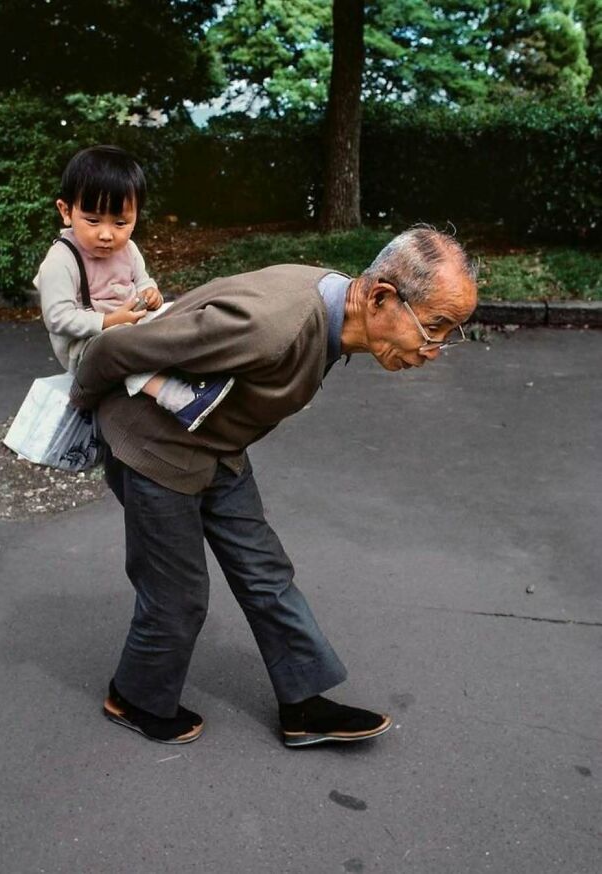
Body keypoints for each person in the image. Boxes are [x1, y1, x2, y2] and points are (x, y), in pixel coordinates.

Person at [70, 226, 478, 748]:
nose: (436, 348)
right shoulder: (272, 325)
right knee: (177, 596)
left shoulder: (333, 305)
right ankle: (135, 697)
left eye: (451, 332)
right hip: (154, 446)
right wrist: (80, 409)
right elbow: (114, 347)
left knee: (267, 574)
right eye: (436, 326)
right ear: (380, 297)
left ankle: (304, 706)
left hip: (215, 442)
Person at [34, 145, 233, 432]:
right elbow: (57, 318)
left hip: (130, 323)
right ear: (66, 211)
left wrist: (152, 294)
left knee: (175, 312)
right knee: (120, 344)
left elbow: (143, 282)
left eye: (120, 223)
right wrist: (110, 321)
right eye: (92, 220)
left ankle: (202, 369)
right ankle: (178, 399)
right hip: (87, 348)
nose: (106, 234)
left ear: (136, 215)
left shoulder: (128, 250)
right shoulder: (61, 261)